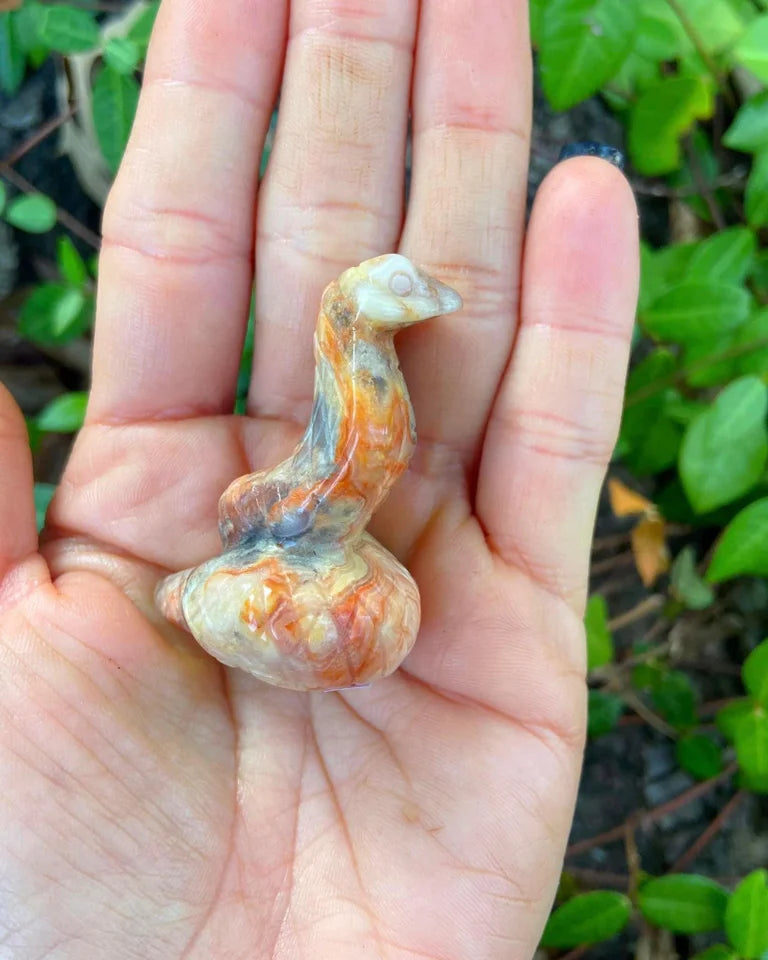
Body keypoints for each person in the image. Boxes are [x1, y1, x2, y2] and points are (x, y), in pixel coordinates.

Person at [0, 0, 639, 957]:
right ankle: (360, 318)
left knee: (308, 496)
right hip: (304, 586)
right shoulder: (284, 567)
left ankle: (362, 318)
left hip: (317, 577)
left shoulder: (312, 550)